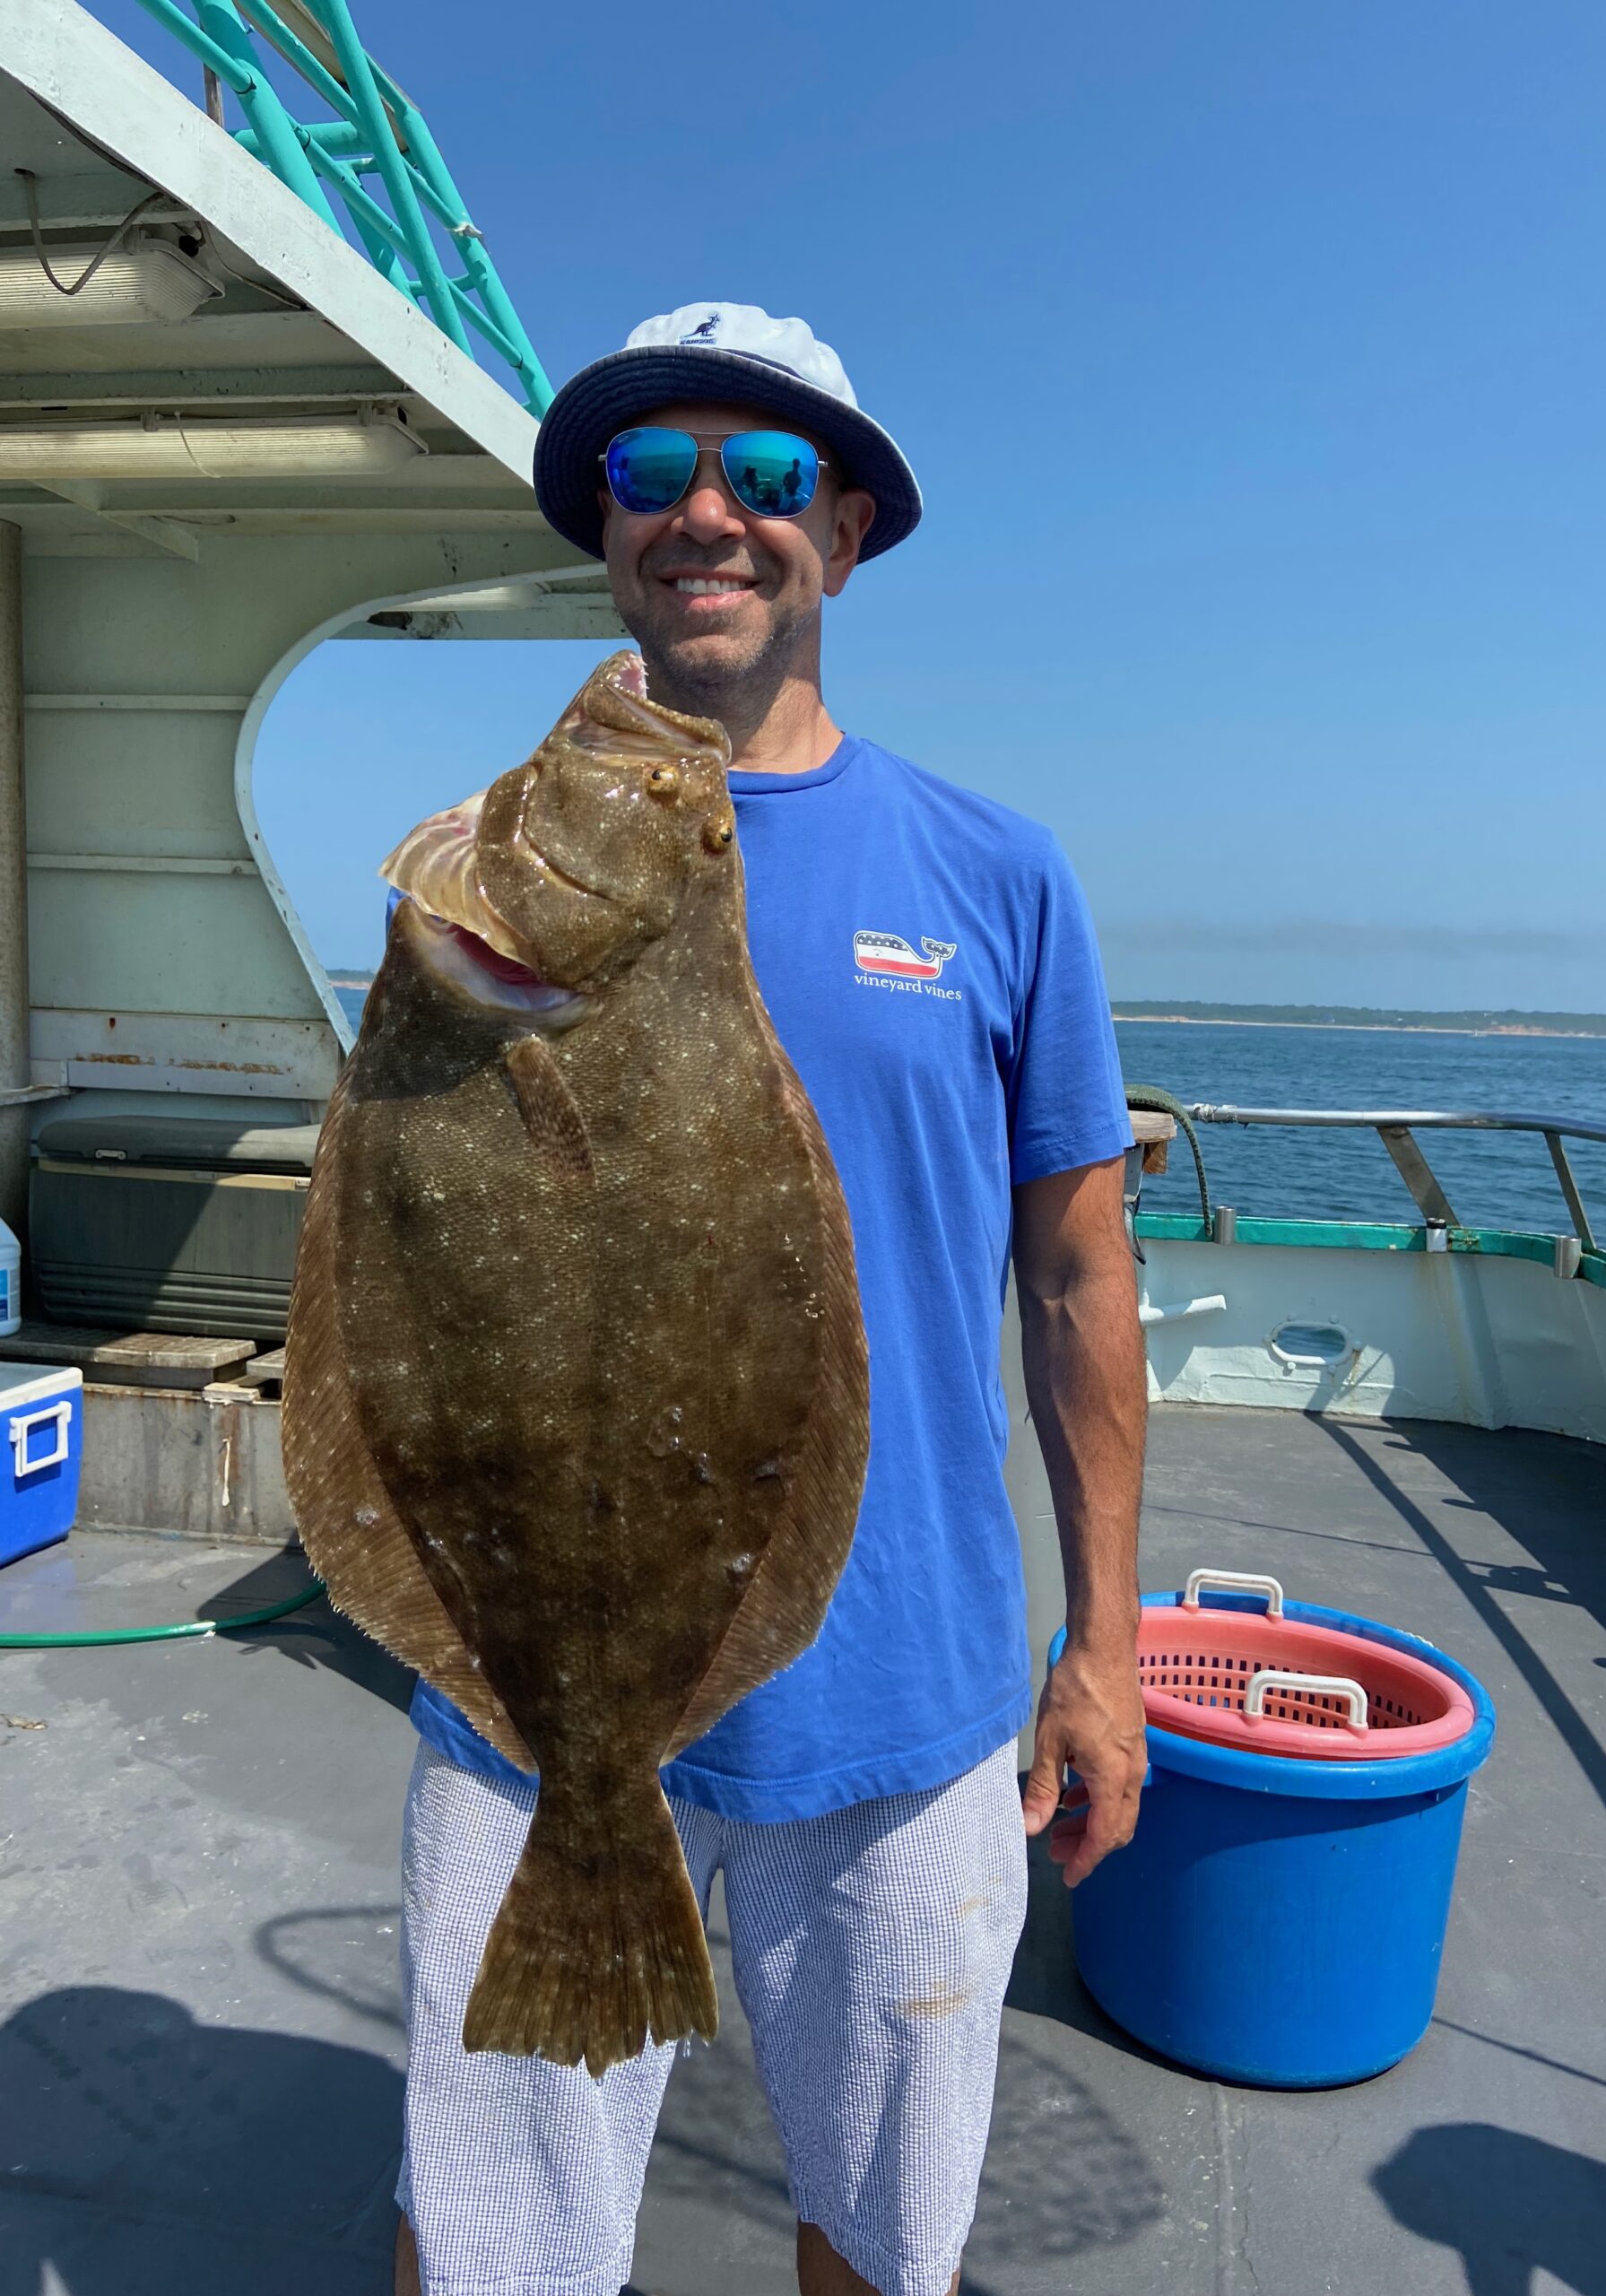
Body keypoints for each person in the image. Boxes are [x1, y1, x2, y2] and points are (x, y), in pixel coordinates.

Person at [393, 302, 1148, 2296]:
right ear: (606, 536)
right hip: (524, 1690)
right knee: (484, 2239)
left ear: (854, 531)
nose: (705, 513)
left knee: (886, 2232)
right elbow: (406, 1245)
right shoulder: (478, 883)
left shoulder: (1002, 874)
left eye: (769, 475)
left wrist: (1108, 1651)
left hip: (900, 1684)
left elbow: (1077, 1274)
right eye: (654, 476)